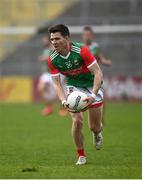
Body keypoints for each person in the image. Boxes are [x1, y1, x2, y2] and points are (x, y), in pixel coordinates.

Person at [47, 24, 104, 165]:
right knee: (77, 121)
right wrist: (62, 100)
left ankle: (97, 134)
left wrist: (93, 95)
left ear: (67, 38)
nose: (54, 42)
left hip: (91, 86)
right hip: (74, 87)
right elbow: (56, 82)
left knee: (94, 126)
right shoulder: (53, 58)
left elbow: (97, 72)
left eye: (57, 38)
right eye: (52, 39)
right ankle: (81, 155)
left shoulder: (82, 51)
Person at [82, 26, 112, 124]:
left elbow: (100, 58)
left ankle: (101, 118)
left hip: (96, 77)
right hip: (84, 78)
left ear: (92, 36)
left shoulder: (95, 47)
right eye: (85, 35)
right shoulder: (80, 47)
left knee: (101, 98)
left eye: (89, 35)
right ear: (83, 36)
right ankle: (90, 119)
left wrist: (105, 61)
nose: (87, 37)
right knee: (84, 99)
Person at [37, 33, 67, 116]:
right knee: (41, 87)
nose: (43, 41)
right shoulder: (46, 49)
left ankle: (63, 108)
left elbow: (55, 56)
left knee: (60, 91)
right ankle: (49, 107)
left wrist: (45, 57)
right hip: (47, 73)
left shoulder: (55, 47)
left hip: (57, 72)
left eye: (44, 39)